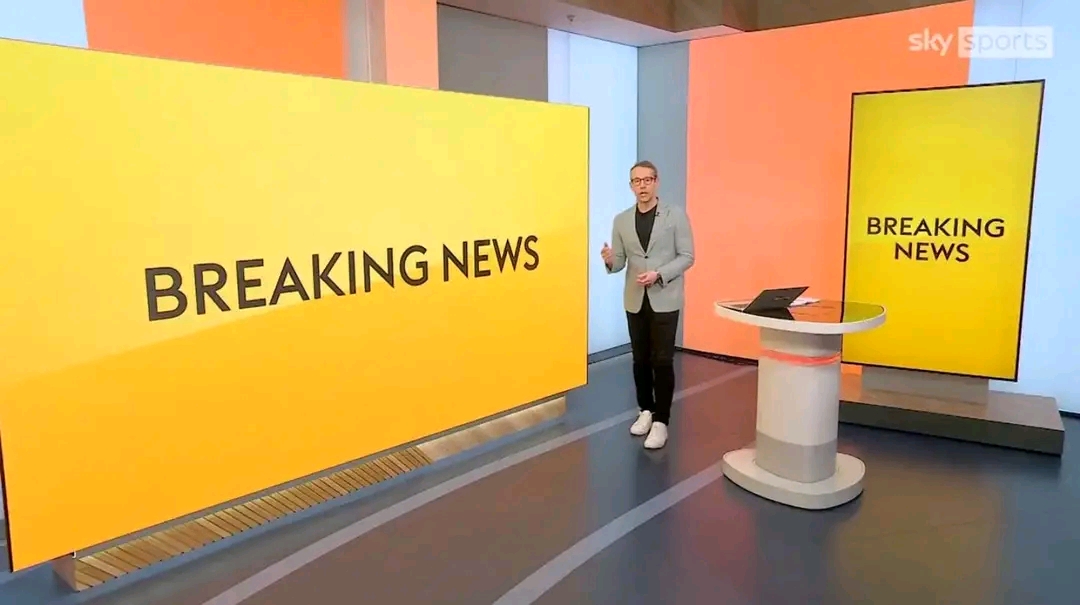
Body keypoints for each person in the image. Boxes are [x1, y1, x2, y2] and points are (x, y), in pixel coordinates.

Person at [601, 160, 695, 450]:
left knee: (662, 360)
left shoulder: (675, 215)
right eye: (636, 181)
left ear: (656, 182)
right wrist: (609, 260)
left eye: (647, 180)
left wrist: (659, 274)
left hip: (665, 297)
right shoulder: (621, 220)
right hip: (635, 300)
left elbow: (687, 256)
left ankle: (661, 421)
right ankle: (645, 410)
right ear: (631, 186)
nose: (641, 186)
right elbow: (620, 263)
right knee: (640, 359)